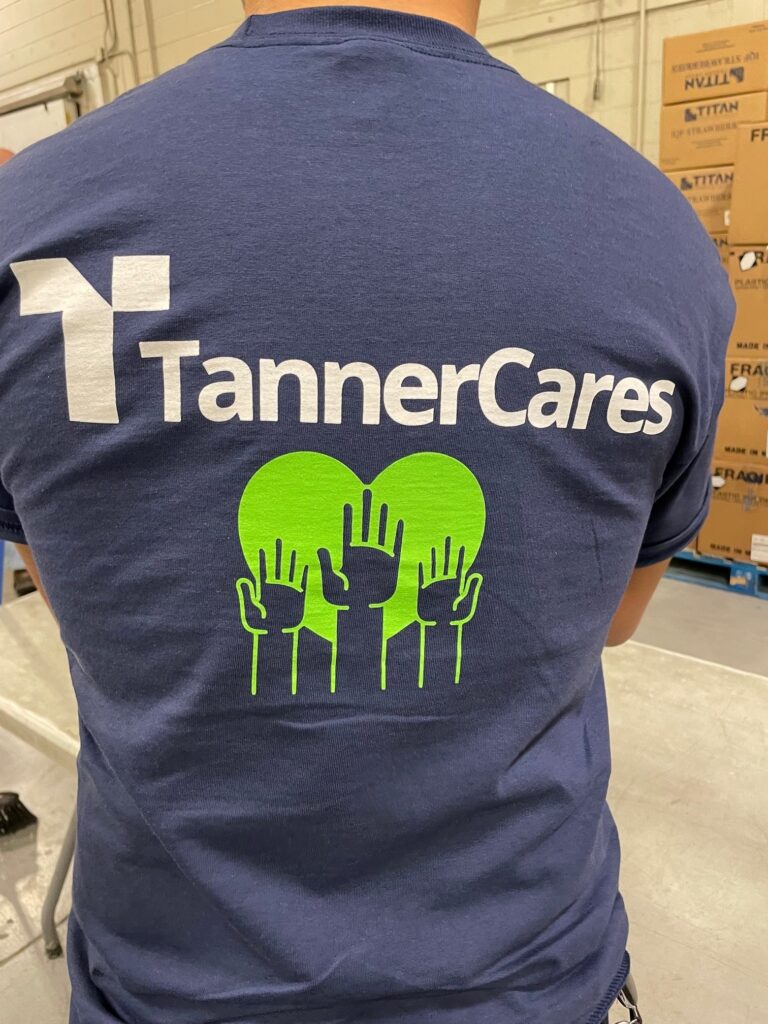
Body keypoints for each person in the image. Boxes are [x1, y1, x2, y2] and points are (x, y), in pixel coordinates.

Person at [0, 0, 732, 1021]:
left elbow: (79, 587)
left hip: (175, 980)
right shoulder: (655, 239)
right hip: (518, 978)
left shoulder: (35, 217)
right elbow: (611, 617)